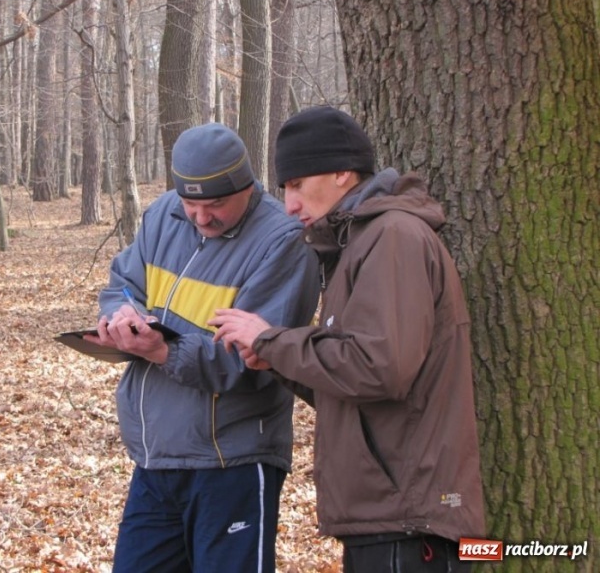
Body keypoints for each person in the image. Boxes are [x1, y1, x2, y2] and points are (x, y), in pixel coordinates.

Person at [210, 106, 486, 572]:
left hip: (410, 517)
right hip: (386, 513)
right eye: (284, 189)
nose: (290, 204)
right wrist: (274, 358)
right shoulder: (356, 244)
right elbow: (352, 383)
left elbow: (381, 367)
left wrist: (273, 340)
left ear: (342, 172)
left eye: (297, 184)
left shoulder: (392, 237)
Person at [85, 122, 320, 572]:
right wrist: (122, 316)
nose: (201, 217)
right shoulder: (162, 216)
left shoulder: (283, 240)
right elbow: (123, 285)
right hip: (155, 456)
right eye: (190, 203)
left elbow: (253, 357)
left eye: (215, 205)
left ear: (247, 188)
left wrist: (162, 350)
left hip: (232, 458)